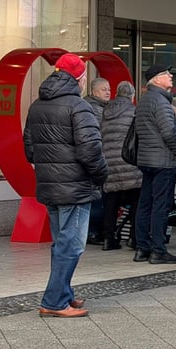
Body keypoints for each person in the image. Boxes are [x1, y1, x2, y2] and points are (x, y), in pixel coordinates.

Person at [23, 53, 109, 318]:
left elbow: (29, 150)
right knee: (71, 245)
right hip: (75, 187)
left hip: (50, 186)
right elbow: (90, 150)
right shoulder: (79, 106)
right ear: (80, 78)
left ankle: (64, 294)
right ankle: (54, 301)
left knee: (61, 243)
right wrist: (101, 176)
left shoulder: (37, 105)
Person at [132, 64, 176, 265]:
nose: (171, 76)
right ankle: (158, 250)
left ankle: (142, 248)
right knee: (160, 207)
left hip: (146, 160)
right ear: (156, 80)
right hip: (163, 161)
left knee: (145, 205)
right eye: (166, 74)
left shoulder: (144, 100)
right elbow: (169, 132)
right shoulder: (161, 101)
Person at [99, 80, 142, 250]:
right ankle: (134, 238)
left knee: (111, 204)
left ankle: (108, 239)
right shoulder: (134, 112)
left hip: (109, 165)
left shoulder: (105, 112)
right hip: (130, 165)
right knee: (136, 203)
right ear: (132, 96)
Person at [83, 75, 112, 244]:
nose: (108, 92)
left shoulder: (103, 107)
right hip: (95, 159)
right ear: (94, 91)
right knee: (95, 197)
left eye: (108, 89)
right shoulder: (92, 108)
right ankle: (93, 231)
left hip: (101, 158)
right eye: (104, 89)